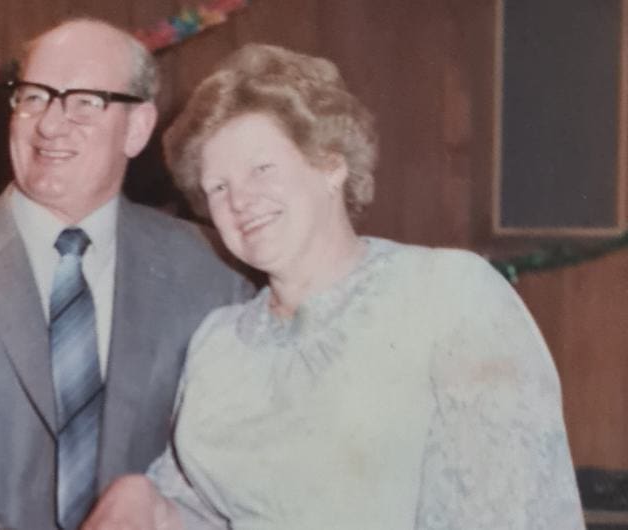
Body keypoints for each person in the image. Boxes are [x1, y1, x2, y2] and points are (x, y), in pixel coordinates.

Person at [82, 43, 585, 530]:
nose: (240, 199)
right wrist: (142, 501)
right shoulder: (220, 341)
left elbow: (514, 512)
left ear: (331, 165)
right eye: (218, 186)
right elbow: (202, 505)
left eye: (262, 168)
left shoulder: (446, 295)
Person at [0, 19, 252, 530]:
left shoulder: (210, 271)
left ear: (138, 127)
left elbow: (238, 467)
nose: (51, 125)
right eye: (34, 97)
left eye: (85, 102)